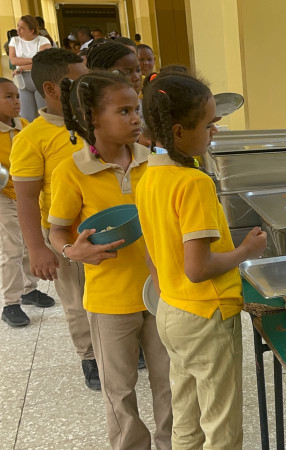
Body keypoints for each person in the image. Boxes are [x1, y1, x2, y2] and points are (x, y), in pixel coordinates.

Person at [137, 73, 266, 448]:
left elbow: (152, 252)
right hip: (207, 316)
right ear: (178, 132)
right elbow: (198, 268)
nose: (215, 131)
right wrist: (245, 251)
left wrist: (169, 295)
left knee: (187, 417)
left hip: (172, 312)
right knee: (221, 425)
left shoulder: (148, 176)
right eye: (209, 124)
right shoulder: (193, 184)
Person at [48, 71, 172, 449]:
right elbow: (56, 230)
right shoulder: (72, 170)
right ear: (92, 119)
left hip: (160, 292)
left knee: (170, 382)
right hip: (109, 301)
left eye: (137, 109)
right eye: (124, 111)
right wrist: (72, 251)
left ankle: (173, 443)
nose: (136, 118)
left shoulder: (154, 162)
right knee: (119, 391)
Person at [9, 48, 99, 390]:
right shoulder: (33, 138)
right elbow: (27, 199)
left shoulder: (95, 121)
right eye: (78, 83)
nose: (86, 90)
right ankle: (90, 356)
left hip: (108, 226)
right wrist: (37, 248)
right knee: (77, 300)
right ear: (50, 89)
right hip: (66, 234)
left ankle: (121, 344)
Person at [0, 78, 55, 328]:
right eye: (8, 97)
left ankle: (28, 289)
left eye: (16, 96)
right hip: (3, 198)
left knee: (25, 245)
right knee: (11, 249)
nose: (16, 101)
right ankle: (10, 303)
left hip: (23, 195)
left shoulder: (22, 125)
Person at [8, 15, 52, 121]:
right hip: (23, 80)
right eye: (18, 26)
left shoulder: (43, 41)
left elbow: (43, 63)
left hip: (39, 77)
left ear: (31, 30)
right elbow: (13, 60)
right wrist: (35, 60)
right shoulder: (14, 40)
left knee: (42, 114)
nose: (18, 29)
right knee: (26, 116)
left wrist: (22, 67)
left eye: (22, 28)